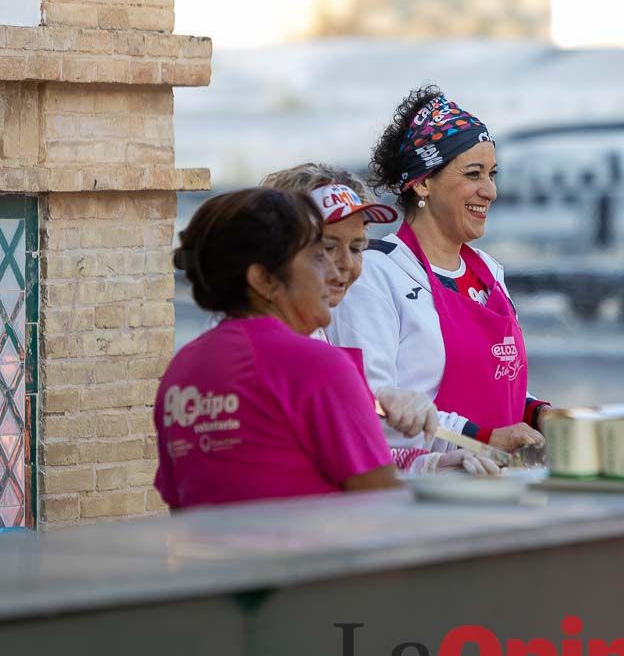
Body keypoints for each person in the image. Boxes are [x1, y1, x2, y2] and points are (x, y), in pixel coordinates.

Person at [329, 87, 550, 454]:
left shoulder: (489, 273)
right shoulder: (375, 274)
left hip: (497, 484)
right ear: (424, 182)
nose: (490, 191)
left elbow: (494, 381)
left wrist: (539, 414)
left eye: (492, 174)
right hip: (421, 495)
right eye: (474, 174)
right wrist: (484, 440)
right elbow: (367, 406)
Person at [153, 188, 400, 509]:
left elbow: (181, 505)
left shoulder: (182, 369)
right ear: (264, 279)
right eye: (317, 255)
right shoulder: (317, 365)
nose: (334, 271)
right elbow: (385, 504)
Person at [261, 162, 499, 476]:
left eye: (357, 247)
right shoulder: (265, 350)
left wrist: (427, 464)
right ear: (275, 252)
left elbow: (350, 453)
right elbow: (337, 466)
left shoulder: (307, 336)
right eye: (328, 248)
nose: (344, 265)